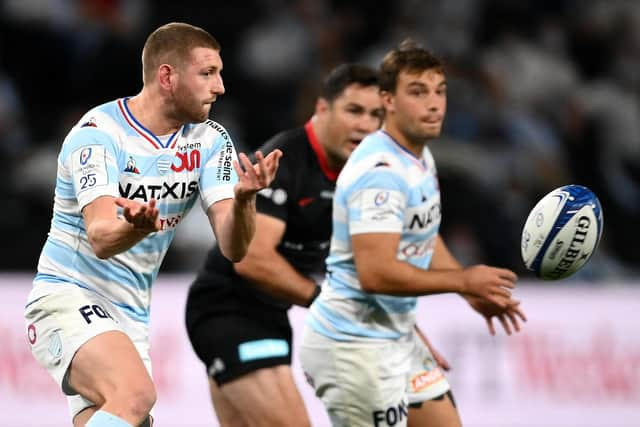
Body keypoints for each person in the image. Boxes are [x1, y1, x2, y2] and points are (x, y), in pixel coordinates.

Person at [23, 22, 281, 427]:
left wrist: (246, 200)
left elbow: (235, 247)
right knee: (136, 395)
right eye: (207, 73)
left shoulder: (210, 139)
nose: (221, 87)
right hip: (68, 296)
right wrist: (136, 229)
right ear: (167, 76)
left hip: (130, 315)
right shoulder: (99, 133)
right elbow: (102, 237)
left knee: (130, 416)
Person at [299, 40, 526, 427]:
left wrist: (468, 291)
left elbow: (422, 234)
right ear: (387, 100)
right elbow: (375, 273)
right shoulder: (381, 172)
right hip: (353, 345)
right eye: (418, 93)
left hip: (396, 337)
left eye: (440, 91)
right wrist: (463, 278)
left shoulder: (417, 155)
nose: (434, 104)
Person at [184, 63, 385, 427]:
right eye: (354, 110)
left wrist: (406, 332)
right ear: (322, 109)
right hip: (227, 310)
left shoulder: (362, 174)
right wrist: (326, 304)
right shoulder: (286, 159)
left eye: (376, 115)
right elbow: (252, 260)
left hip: (271, 317)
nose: (366, 125)